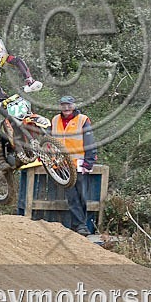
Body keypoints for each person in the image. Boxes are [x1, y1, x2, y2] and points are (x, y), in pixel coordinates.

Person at [51, 95, 97, 236]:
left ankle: (80, 225)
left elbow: (89, 141)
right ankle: (80, 226)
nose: (66, 108)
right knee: (72, 196)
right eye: (63, 105)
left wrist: (89, 161)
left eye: (69, 105)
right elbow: (49, 140)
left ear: (74, 105)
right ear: (60, 106)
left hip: (79, 164)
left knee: (81, 196)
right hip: (62, 166)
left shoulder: (82, 120)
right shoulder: (54, 120)